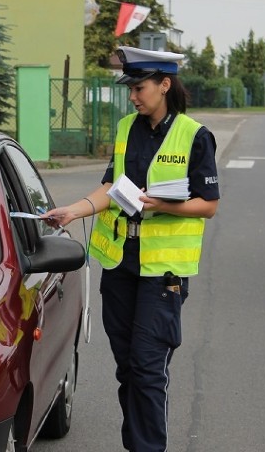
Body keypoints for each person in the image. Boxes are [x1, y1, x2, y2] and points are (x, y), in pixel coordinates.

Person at [43, 46, 220, 452]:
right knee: (128, 369)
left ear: (164, 84)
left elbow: (208, 205)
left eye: (139, 87)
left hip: (164, 273)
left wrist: (162, 204)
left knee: (146, 367)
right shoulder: (127, 128)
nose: (134, 96)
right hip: (122, 266)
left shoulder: (195, 136)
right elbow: (111, 187)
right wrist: (73, 210)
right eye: (130, 89)